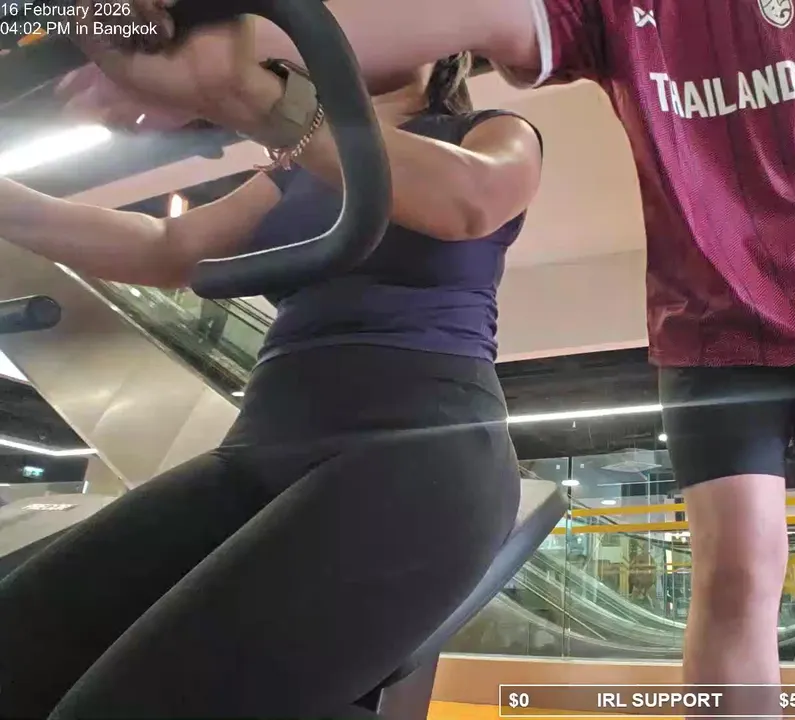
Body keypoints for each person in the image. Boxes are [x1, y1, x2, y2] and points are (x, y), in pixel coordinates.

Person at [64, 0, 795, 714]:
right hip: (710, 330)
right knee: (735, 577)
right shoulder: (611, 13)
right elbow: (467, 12)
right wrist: (219, 53)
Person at [0, 46, 544, 716]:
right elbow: (164, 246)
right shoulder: (296, 165)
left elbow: (470, 201)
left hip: (420, 451)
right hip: (264, 443)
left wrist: (275, 107)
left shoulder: (491, 132)